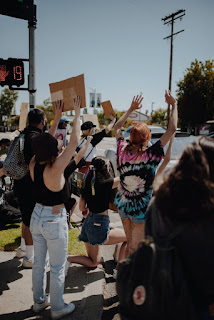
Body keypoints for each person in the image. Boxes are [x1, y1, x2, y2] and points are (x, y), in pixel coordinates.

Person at [29, 97, 86, 319]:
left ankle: (38, 302)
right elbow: (74, 141)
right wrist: (78, 113)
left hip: (36, 216)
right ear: (52, 152)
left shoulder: (34, 162)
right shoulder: (55, 169)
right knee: (57, 267)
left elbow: (44, 142)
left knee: (38, 265)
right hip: (53, 220)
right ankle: (58, 307)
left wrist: (58, 118)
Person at [146, 136, 214, 319]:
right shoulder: (207, 209)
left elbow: (150, 244)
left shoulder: (157, 202)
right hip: (199, 303)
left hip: (162, 295)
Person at [113, 91, 177, 257]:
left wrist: (131, 109)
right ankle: (131, 280)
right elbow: (172, 129)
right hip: (140, 209)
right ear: (147, 138)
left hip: (123, 205)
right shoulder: (150, 155)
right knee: (136, 250)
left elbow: (117, 127)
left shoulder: (122, 149)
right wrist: (174, 104)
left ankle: (124, 276)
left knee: (130, 245)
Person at [65, 156, 127, 275]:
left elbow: (82, 208)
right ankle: (118, 271)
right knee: (129, 237)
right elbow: (125, 177)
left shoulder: (86, 184)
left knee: (95, 262)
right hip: (99, 226)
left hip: (88, 224)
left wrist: (92, 204)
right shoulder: (106, 183)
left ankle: (67, 259)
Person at [13, 108, 49, 267]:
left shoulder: (23, 134)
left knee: (25, 217)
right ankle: (29, 258)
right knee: (30, 221)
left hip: (20, 182)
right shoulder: (34, 137)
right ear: (43, 121)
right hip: (29, 185)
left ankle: (22, 249)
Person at [77, 114, 116, 219]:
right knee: (92, 191)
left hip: (81, 168)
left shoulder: (79, 141)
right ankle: (88, 216)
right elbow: (106, 130)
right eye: (93, 129)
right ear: (90, 130)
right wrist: (113, 121)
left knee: (83, 193)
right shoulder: (92, 140)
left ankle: (84, 215)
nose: (94, 130)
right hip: (90, 167)